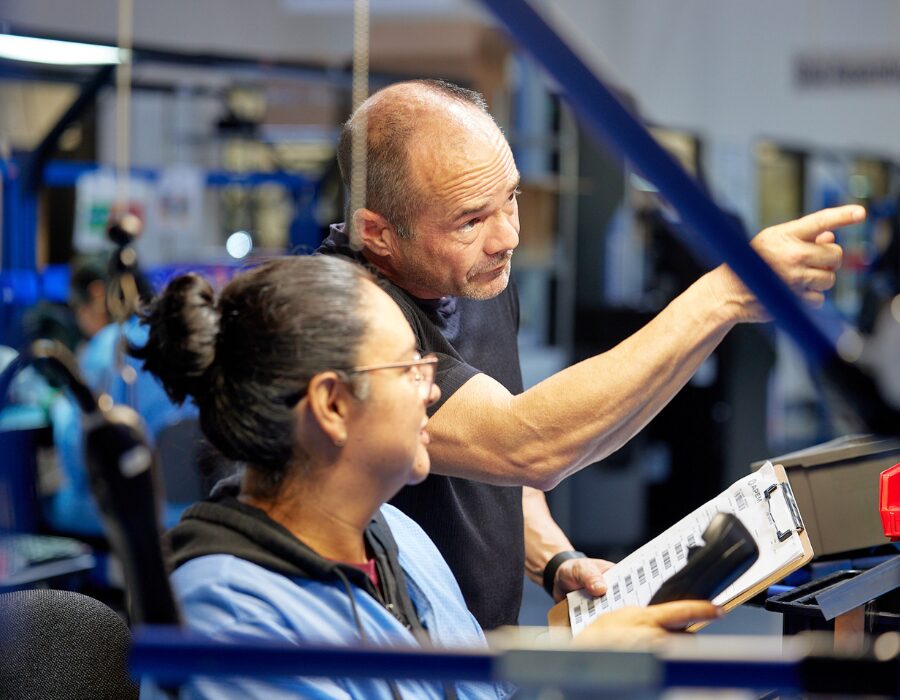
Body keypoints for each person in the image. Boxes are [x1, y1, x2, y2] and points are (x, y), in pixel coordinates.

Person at [319, 78, 864, 630]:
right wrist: (721, 295)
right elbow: (522, 444)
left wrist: (553, 558)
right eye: (470, 220)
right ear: (378, 234)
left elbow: (493, 472)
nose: (506, 236)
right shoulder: (345, 320)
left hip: (482, 655)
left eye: (510, 197)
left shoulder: (476, 276)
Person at [135, 255, 719, 699]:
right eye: (410, 369)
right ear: (333, 405)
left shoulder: (396, 539)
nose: (432, 389)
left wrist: (575, 642)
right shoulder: (231, 618)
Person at [45, 254, 197, 537]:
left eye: (77, 308)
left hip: (140, 514)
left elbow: (80, 461)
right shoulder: (184, 337)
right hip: (193, 510)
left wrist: (60, 409)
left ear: (97, 293)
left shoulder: (107, 347)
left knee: (57, 501)